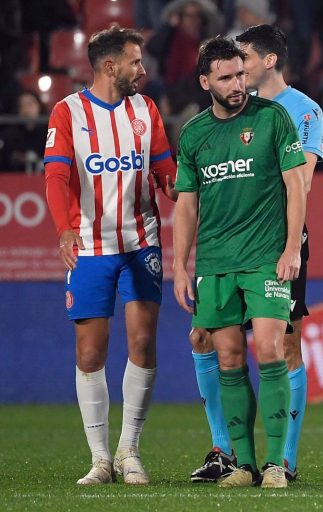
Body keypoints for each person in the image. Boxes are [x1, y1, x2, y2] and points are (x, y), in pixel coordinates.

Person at [185, 23, 323, 484]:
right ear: (206, 82)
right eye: (225, 78)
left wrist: (291, 248)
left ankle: (279, 462)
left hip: (267, 254)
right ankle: (240, 462)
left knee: (272, 347)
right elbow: (187, 204)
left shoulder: (279, 116)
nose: (236, 85)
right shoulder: (194, 134)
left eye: (240, 74)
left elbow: (297, 184)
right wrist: (181, 265)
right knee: (225, 355)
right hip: (216, 261)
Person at [43, 26, 177, 485]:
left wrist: (189, 191)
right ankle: (100, 459)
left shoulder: (146, 109)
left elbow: (165, 172)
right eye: (135, 62)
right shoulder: (68, 113)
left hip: (142, 243)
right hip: (91, 247)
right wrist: (63, 228)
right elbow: (56, 177)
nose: (143, 69)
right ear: (109, 66)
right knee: (89, 353)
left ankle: (129, 451)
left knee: (142, 344)